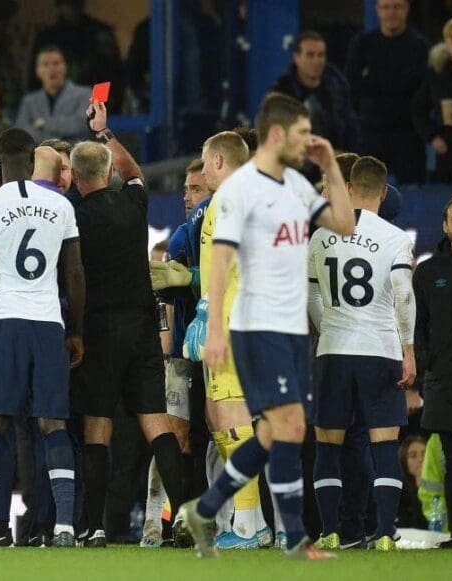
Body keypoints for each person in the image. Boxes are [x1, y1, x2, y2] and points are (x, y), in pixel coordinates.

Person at [175, 92, 355, 559]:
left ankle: (206, 508)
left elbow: (344, 224)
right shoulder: (240, 191)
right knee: (290, 424)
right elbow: (219, 261)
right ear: (277, 134)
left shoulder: (295, 183)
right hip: (256, 326)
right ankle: (293, 537)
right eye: (301, 134)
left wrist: (330, 165)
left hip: (292, 327)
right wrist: (214, 328)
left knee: (278, 431)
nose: (307, 141)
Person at [67, 102, 187, 548]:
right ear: (108, 172)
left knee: (99, 427)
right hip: (141, 328)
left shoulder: (73, 215)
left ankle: (95, 526)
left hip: (99, 329)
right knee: (157, 424)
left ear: (77, 178)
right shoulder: (134, 203)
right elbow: (135, 170)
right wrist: (105, 132)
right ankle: (184, 520)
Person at [0, 128, 85, 547]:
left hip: (6, 322)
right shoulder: (60, 205)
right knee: (53, 424)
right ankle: (65, 527)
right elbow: (75, 275)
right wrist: (77, 330)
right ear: (32, 160)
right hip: (49, 323)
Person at [307, 156, 416, 552]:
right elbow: (404, 296)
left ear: (349, 187)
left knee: (328, 446)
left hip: (333, 351)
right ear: (384, 192)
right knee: (384, 444)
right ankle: (385, 533)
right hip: (380, 350)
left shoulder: (320, 236)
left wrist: (329, 324)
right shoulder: (395, 238)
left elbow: (311, 295)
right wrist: (408, 349)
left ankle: (331, 530)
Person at [185, 131, 274, 550]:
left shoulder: (229, 200)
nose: (202, 171)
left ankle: (247, 526)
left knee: (232, 421)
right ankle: (251, 520)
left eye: (205, 163)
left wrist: (206, 313)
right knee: (223, 420)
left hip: (232, 322)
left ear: (219, 161)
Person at [140, 157, 211, 548]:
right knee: (175, 436)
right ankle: (154, 523)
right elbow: (165, 293)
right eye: (186, 188)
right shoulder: (184, 236)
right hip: (185, 355)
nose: (187, 196)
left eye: (196, 189)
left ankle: (225, 521)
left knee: (221, 436)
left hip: (226, 352)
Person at [413, 193, 452, 549]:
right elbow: (418, 328)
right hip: (446, 384)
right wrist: (422, 373)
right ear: (446, 225)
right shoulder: (429, 272)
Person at [345, 0, 429, 184]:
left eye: (397, 7)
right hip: (370, 134)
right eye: (386, 7)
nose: (391, 12)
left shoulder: (419, 46)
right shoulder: (361, 44)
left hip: (409, 135)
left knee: (413, 193)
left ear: (407, 9)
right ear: (377, 10)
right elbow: (352, 88)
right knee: (365, 193)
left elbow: (424, 92)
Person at [272, 30, 358, 182]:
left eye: (321, 55)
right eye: (310, 55)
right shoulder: (282, 93)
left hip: (335, 170)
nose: (317, 60)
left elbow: (350, 126)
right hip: (295, 173)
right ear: (297, 57)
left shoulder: (337, 88)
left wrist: (346, 157)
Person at [28, 0, 125, 113]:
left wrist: (98, 105)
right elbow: (35, 81)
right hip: (56, 111)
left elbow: (110, 74)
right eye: (67, 3)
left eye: (75, 3)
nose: (71, 8)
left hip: (95, 109)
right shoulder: (47, 38)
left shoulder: (99, 35)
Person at [411, 16, 452, 184]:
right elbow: (417, 108)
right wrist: (432, 137)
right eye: (451, 38)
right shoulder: (437, 71)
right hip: (446, 149)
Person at [15, 45, 92, 144]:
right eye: (45, 64)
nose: (51, 69)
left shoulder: (85, 94)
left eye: (56, 63)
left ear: (65, 67)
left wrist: (43, 123)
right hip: (40, 156)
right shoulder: (29, 101)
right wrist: (59, 137)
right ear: (38, 71)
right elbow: (21, 132)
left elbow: (80, 126)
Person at [397, 435, 428, 529]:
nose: (421, 459)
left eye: (424, 454)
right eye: (413, 455)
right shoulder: (398, 495)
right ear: (404, 462)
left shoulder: (445, 488)